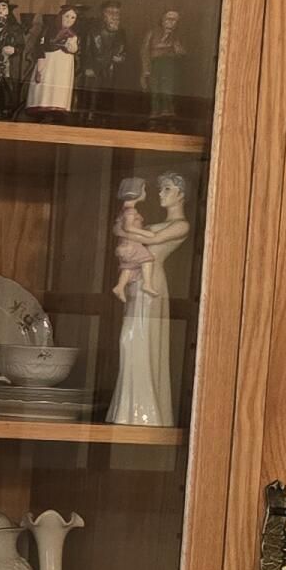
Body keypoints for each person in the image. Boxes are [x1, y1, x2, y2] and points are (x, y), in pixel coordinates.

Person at [108, 169, 192, 428]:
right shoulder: (156, 224)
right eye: (160, 189)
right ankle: (127, 409)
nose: (161, 194)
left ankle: (145, 412)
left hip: (152, 285)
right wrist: (126, 228)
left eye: (167, 189)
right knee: (130, 339)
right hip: (137, 282)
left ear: (181, 195)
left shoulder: (181, 225)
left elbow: (151, 237)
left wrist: (127, 229)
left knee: (137, 338)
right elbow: (120, 229)